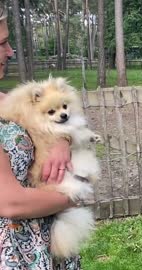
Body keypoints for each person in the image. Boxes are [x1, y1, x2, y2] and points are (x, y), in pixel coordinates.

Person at [0, 3, 83, 269]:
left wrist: (62, 141)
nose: (10, 52)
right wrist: (74, 196)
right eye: (2, 44)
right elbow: (10, 202)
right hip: (12, 252)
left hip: (42, 241)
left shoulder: (7, 102)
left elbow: (47, 121)